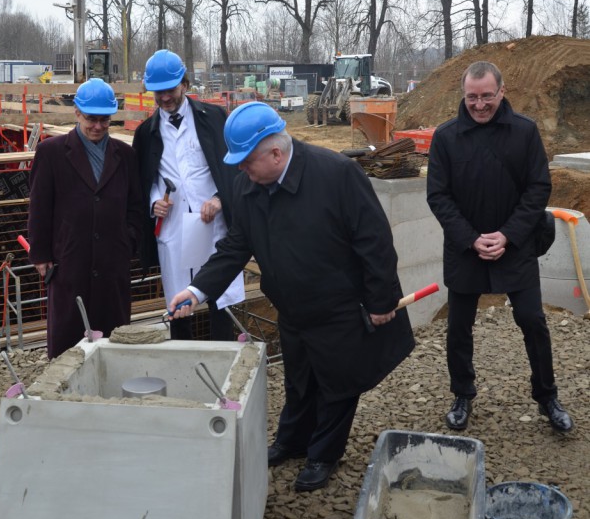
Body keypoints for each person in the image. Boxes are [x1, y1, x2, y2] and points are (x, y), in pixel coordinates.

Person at [167, 100, 415, 492]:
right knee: (299, 380)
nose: (240, 170)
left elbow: (375, 242)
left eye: (247, 162)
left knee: (338, 384)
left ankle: (323, 455)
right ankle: (292, 441)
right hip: (292, 305)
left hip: (338, 306)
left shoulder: (337, 175)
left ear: (276, 153)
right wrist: (199, 289)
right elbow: (237, 244)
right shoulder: (248, 183)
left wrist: (381, 300)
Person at [426, 60, 573, 433]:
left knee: (532, 320)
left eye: (487, 96)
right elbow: (439, 196)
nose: (479, 104)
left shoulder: (524, 133)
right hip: (465, 248)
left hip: (515, 244)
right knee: (459, 326)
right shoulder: (446, 137)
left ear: (502, 92)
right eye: (472, 97)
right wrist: (471, 239)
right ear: (464, 94)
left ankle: (547, 396)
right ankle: (462, 394)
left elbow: (538, 188)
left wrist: (507, 235)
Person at [133, 50, 243, 340]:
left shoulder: (215, 118)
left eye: (169, 90)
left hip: (213, 223)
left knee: (219, 292)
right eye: (157, 93)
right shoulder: (146, 132)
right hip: (175, 226)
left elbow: (233, 168)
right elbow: (145, 178)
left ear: (184, 83)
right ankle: (182, 357)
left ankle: (224, 357)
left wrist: (220, 199)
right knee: (179, 298)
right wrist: (154, 200)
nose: (164, 98)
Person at [28, 78, 141, 359]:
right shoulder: (51, 153)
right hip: (70, 260)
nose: (98, 127)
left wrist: (129, 241)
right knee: (69, 338)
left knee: (112, 340)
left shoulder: (125, 155)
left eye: (105, 120)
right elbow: (40, 206)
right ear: (77, 113)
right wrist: (41, 254)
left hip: (112, 261)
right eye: (92, 119)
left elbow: (136, 206)